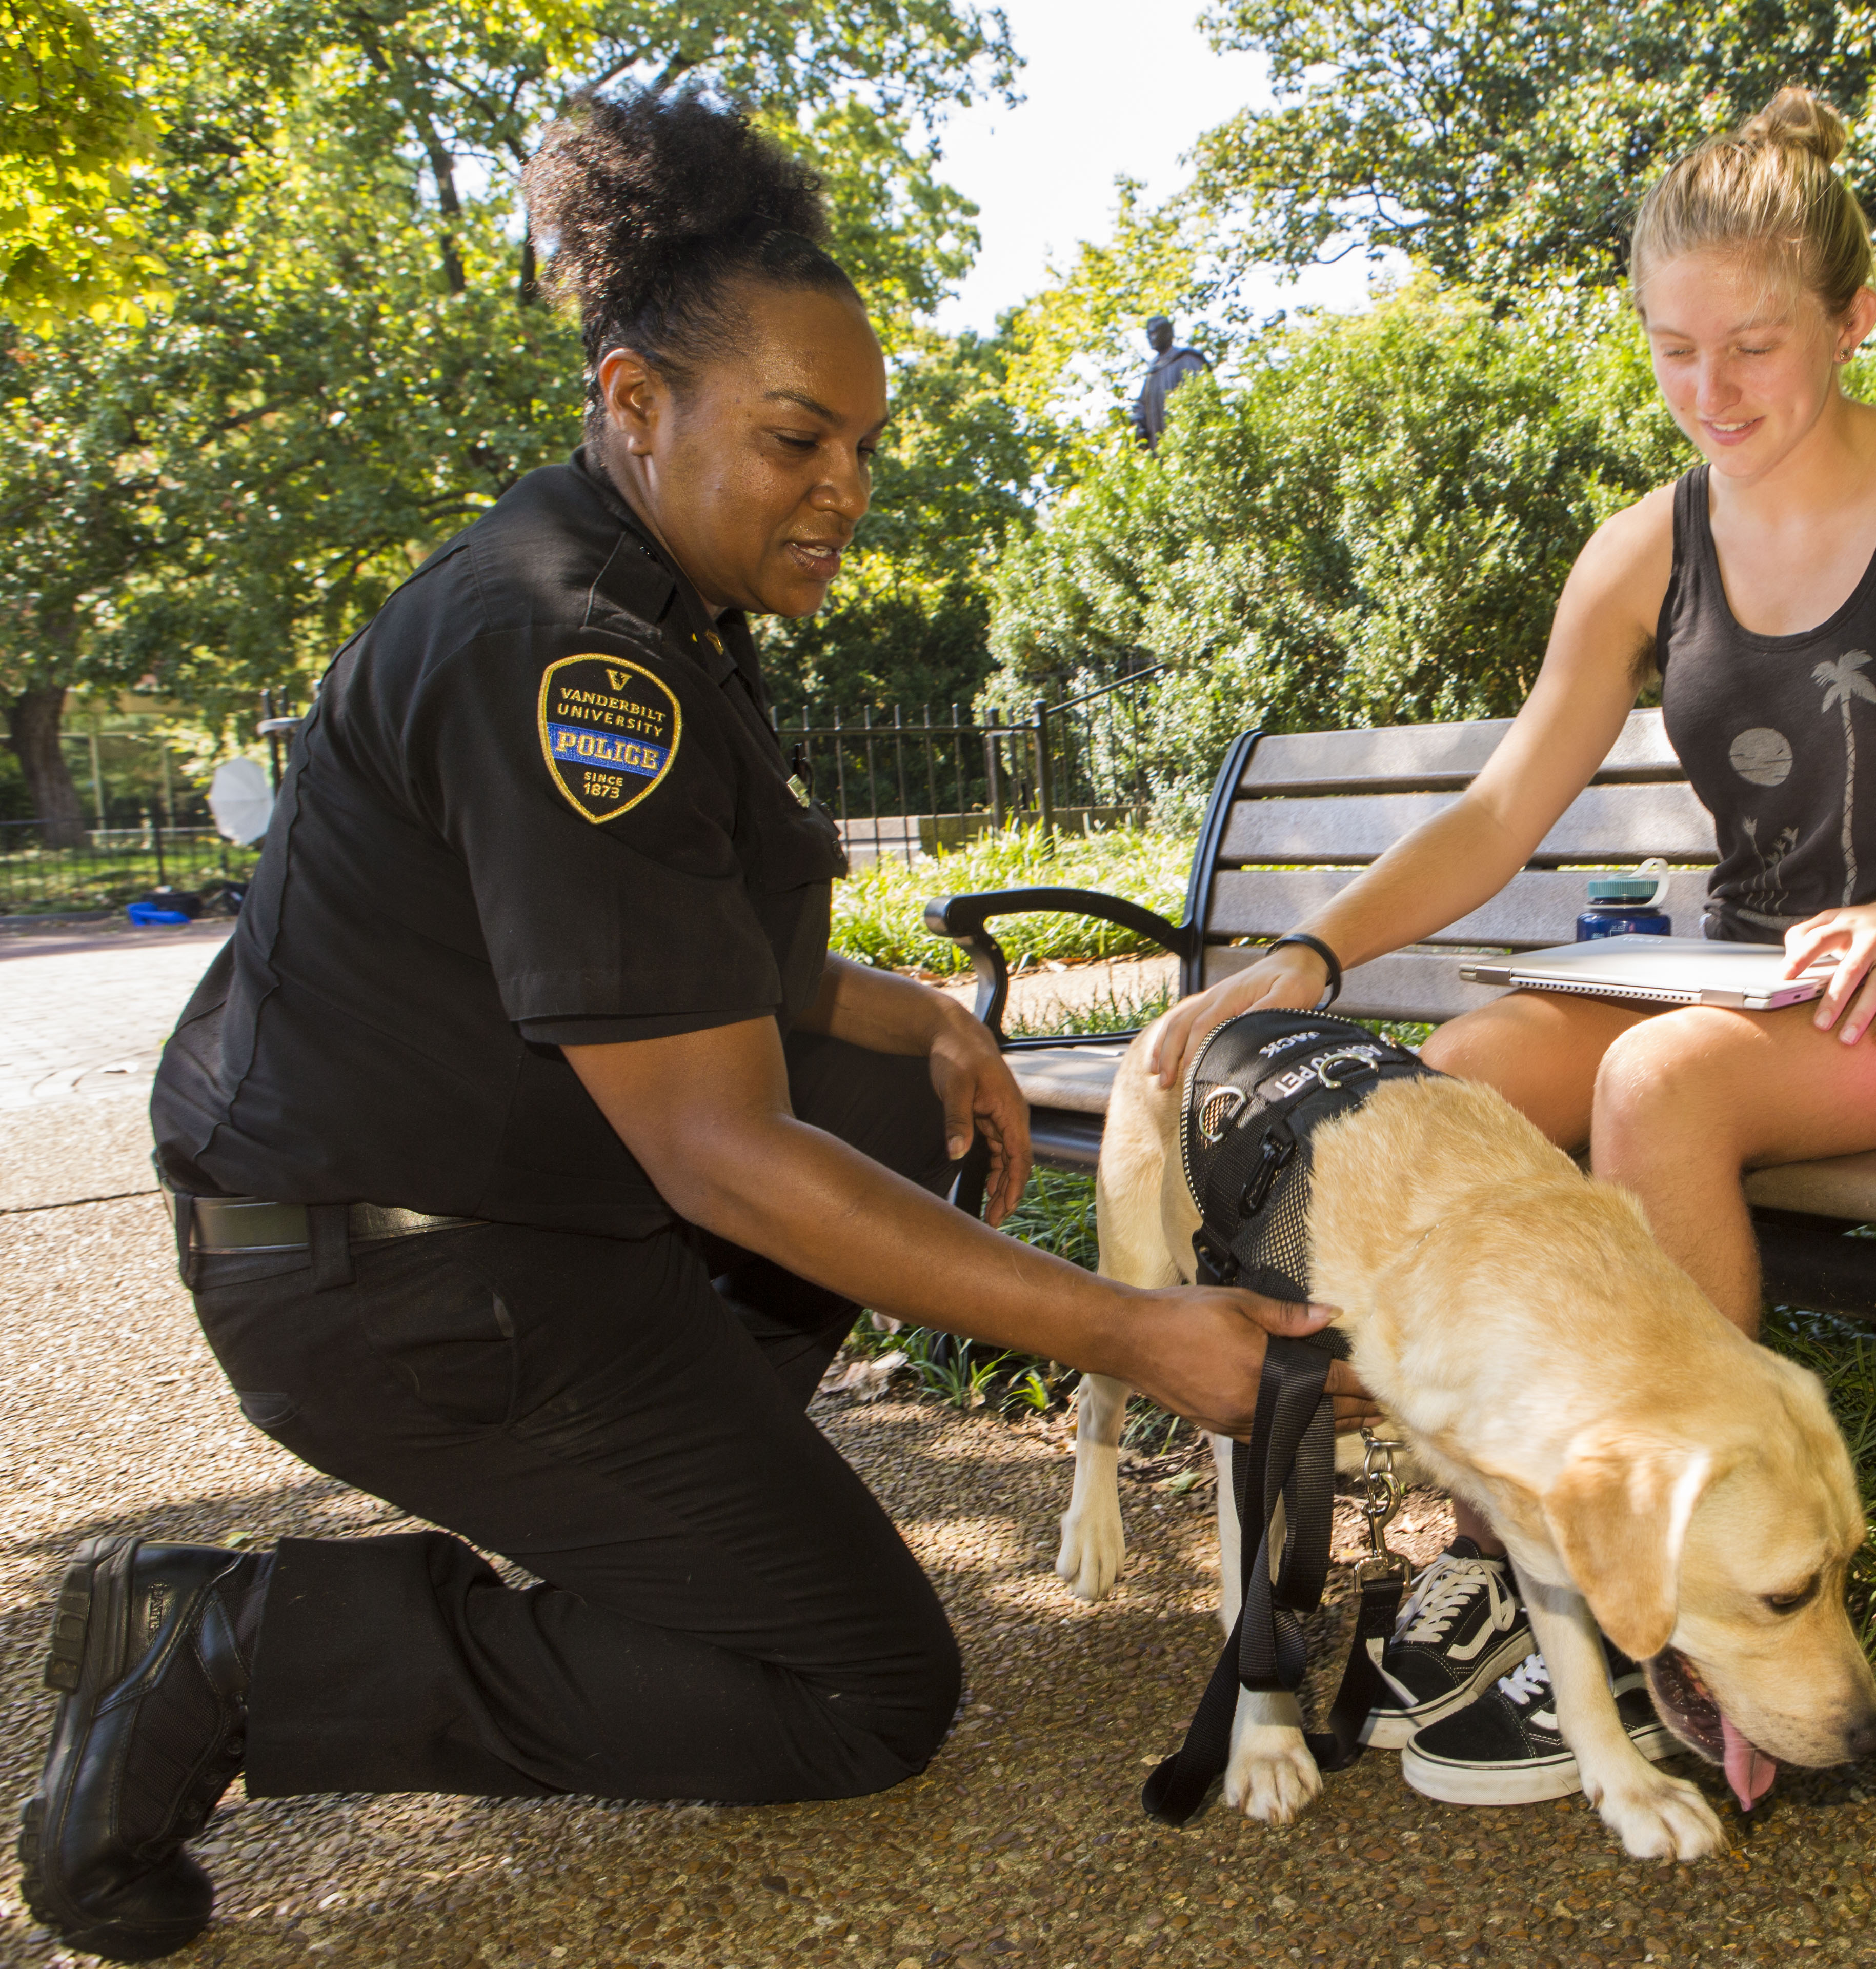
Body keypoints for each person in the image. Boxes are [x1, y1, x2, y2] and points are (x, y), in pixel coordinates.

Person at [18, 89, 1355, 1966]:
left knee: (886, 1086)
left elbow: (623, 933)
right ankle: (234, 1648)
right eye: (798, 438)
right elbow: (715, 1146)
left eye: (865, 446)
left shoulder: (643, 601)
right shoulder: (570, 655)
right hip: (395, 1279)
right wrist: (1137, 1332)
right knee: (858, 1690)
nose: (846, 488)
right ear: (633, 400)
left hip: (477, 1209)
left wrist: (883, 1001)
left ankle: (678, 1513)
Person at [1142, 88, 1876, 1803]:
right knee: (1470, 1072)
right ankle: (1523, 1553)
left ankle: (1636, 1618)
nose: (1712, 393)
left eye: (1754, 345)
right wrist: (1307, 961)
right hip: (1746, 975)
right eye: (1675, 350)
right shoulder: (1640, 554)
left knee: (1664, 1083)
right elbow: (1501, 813)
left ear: (1854, 315)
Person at [1131, 314, 1212, 446]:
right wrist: (1138, 423)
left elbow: (1203, 397)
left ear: (1168, 333)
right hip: (1160, 447)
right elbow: (1142, 405)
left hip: (1188, 441)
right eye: (1148, 335)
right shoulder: (1153, 371)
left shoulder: (1187, 359)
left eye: (1154, 333)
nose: (1151, 338)